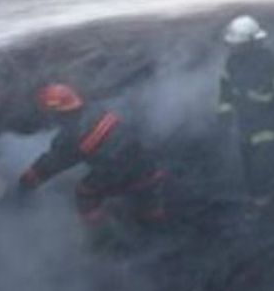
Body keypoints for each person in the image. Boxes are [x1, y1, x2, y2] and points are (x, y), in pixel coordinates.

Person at [19, 84, 166, 230]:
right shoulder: (98, 109)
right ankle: (154, 219)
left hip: (117, 170)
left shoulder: (70, 135)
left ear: (55, 112)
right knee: (148, 191)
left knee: (84, 192)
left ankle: (101, 230)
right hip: (145, 162)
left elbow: (54, 162)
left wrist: (28, 179)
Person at [217, 15, 274, 209]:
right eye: (233, 45)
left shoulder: (269, 62)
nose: (234, 48)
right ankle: (265, 198)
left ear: (252, 44)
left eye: (238, 45)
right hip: (245, 129)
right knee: (249, 171)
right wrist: (224, 119)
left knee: (260, 172)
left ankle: (265, 211)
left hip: (269, 128)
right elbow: (225, 93)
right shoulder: (232, 63)